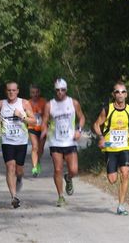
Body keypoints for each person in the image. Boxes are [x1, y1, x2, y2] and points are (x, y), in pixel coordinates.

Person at [92, 81, 129, 215]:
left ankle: (121, 206)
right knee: (112, 179)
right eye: (118, 92)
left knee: (125, 174)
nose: (120, 94)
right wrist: (101, 138)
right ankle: (113, 172)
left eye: (123, 92)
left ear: (126, 94)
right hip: (110, 147)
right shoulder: (107, 109)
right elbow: (96, 125)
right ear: (114, 94)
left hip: (125, 146)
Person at [41, 78, 85, 207]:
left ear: (66, 90)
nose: (60, 92)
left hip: (70, 141)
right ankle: (60, 196)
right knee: (58, 169)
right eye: (57, 90)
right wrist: (44, 130)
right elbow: (44, 121)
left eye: (62, 90)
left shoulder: (73, 103)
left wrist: (79, 130)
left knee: (74, 170)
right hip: (55, 141)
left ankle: (69, 178)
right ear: (55, 91)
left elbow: (81, 117)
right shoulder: (50, 105)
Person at [0, 81, 36, 209]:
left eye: (13, 90)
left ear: (17, 91)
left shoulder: (24, 103)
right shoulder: (1, 104)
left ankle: (20, 178)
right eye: (9, 90)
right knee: (10, 167)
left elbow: (33, 120)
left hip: (21, 142)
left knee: (19, 170)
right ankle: (14, 197)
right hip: (7, 141)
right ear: (6, 91)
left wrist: (22, 116)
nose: (11, 92)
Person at [28, 84, 47, 177]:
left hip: (42, 128)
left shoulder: (43, 102)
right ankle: (34, 168)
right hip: (32, 127)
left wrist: (42, 112)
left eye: (36, 92)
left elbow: (48, 114)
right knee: (35, 147)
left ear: (39, 93)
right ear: (30, 93)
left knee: (41, 149)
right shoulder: (27, 103)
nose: (35, 94)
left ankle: (38, 160)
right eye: (33, 92)